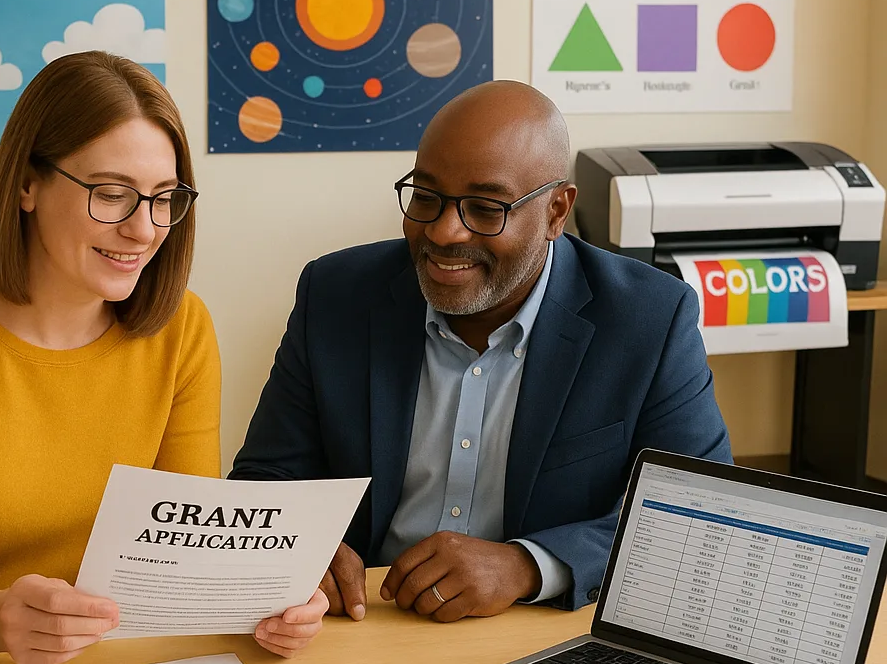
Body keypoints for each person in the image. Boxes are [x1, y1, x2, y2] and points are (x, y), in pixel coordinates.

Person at [0, 51, 325, 664]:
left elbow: (185, 549)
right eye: (112, 195)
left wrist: (267, 599)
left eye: (164, 198)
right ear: (27, 183)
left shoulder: (181, 327)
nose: (145, 229)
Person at [230, 80, 733, 623]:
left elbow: (698, 514)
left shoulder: (648, 319)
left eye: (486, 208)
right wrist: (297, 548)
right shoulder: (336, 294)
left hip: (536, 631)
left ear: (556, 212)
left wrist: (528, 567)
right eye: (425, 197)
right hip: (363, 623)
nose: (445, 232)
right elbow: (265, 481)